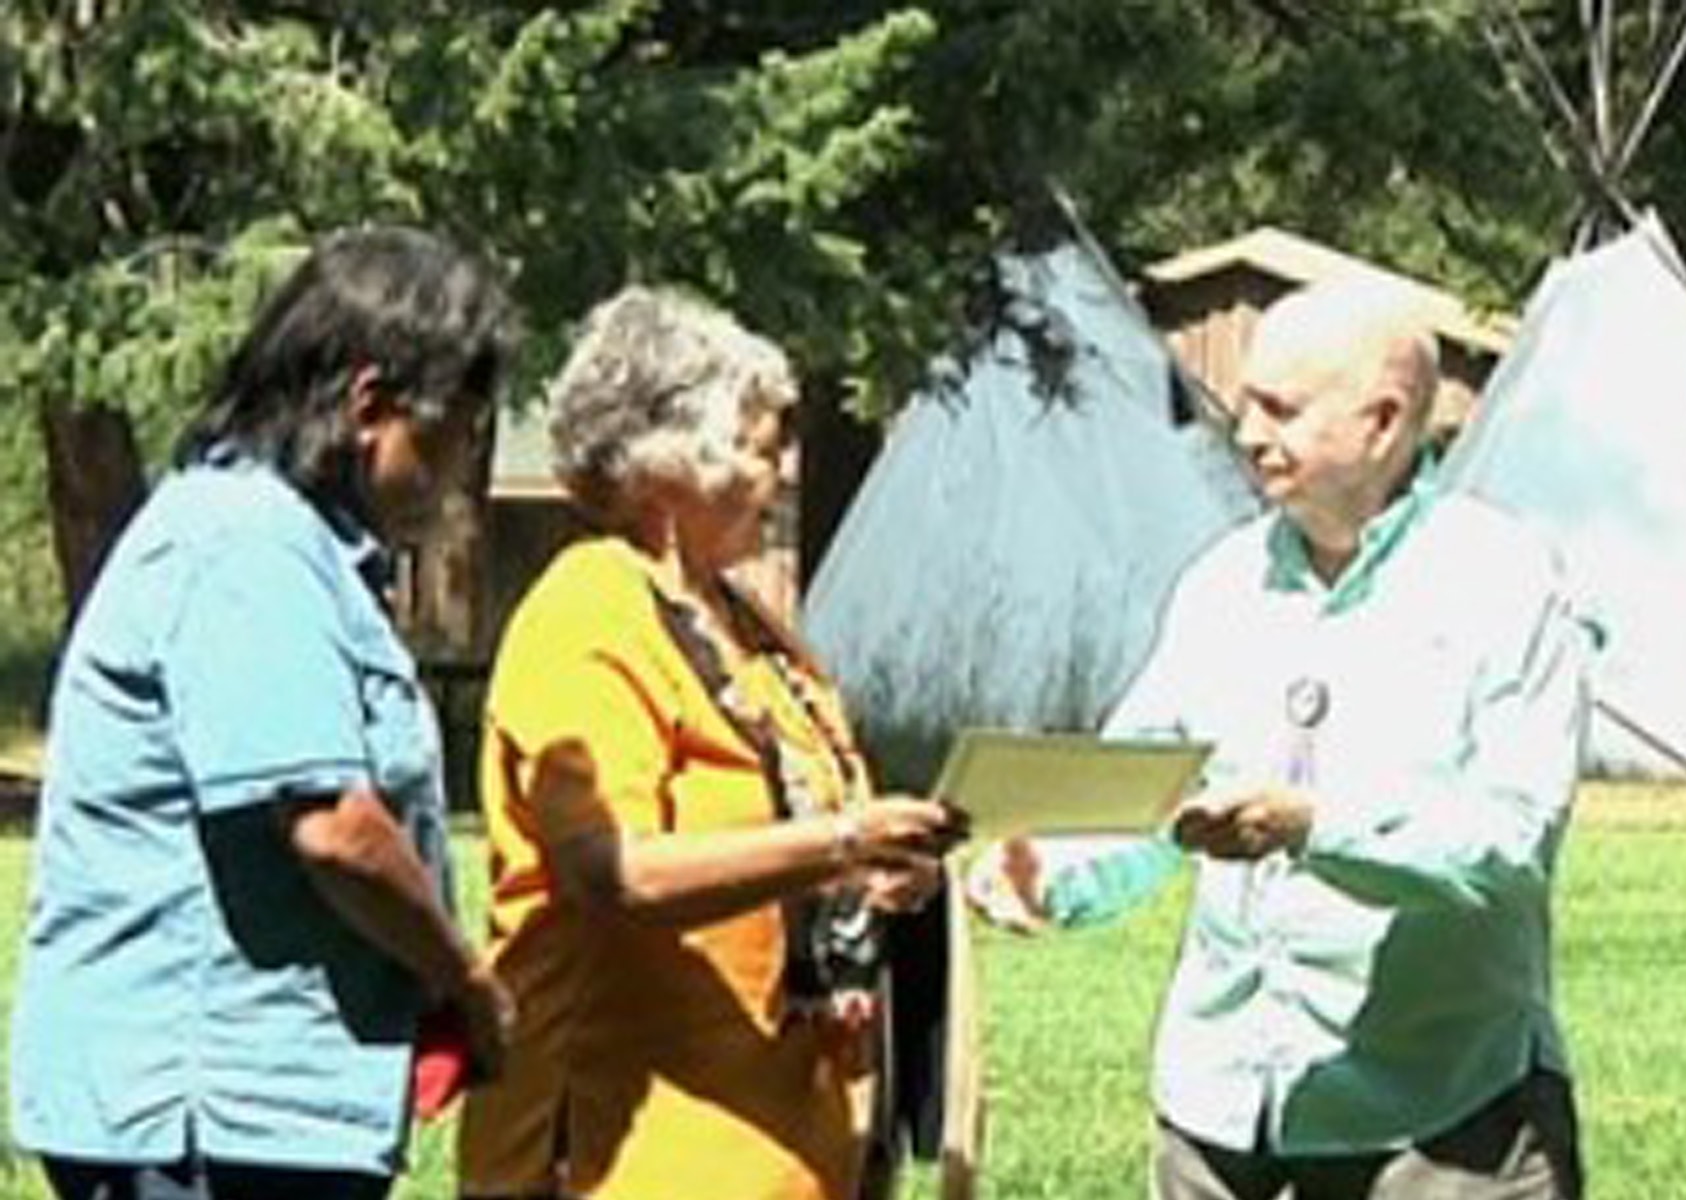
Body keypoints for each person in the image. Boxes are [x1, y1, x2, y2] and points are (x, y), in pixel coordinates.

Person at [970, 278, 1593, 1200]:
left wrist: (1310, 824)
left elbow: (1509, 843)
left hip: (1441, 1112)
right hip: (1220, 1107)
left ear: (1383, 423)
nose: (1249, 432)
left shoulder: (1504, 583)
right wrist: (1052, 870)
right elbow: (1148, 795)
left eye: (1282, 410)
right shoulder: (1221, 587)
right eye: (1249, 403)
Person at [8, 227, 518, 1200]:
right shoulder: (246, 545)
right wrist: (467, 980)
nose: (452, 481)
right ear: (369, 406)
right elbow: (332, 829)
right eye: (447, 440)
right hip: (203, 1115)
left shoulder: (299, 551)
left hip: (264, 1111)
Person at [455, 286, 967, 1200]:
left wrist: (881, 871)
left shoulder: (759, 633)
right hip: (629, 1153)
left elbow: (803, 834)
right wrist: (841, 843)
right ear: (666, 464)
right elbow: (614, 872)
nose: (787, 473)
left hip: (787, 1147)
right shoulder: (589, 613)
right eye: (763, 450)